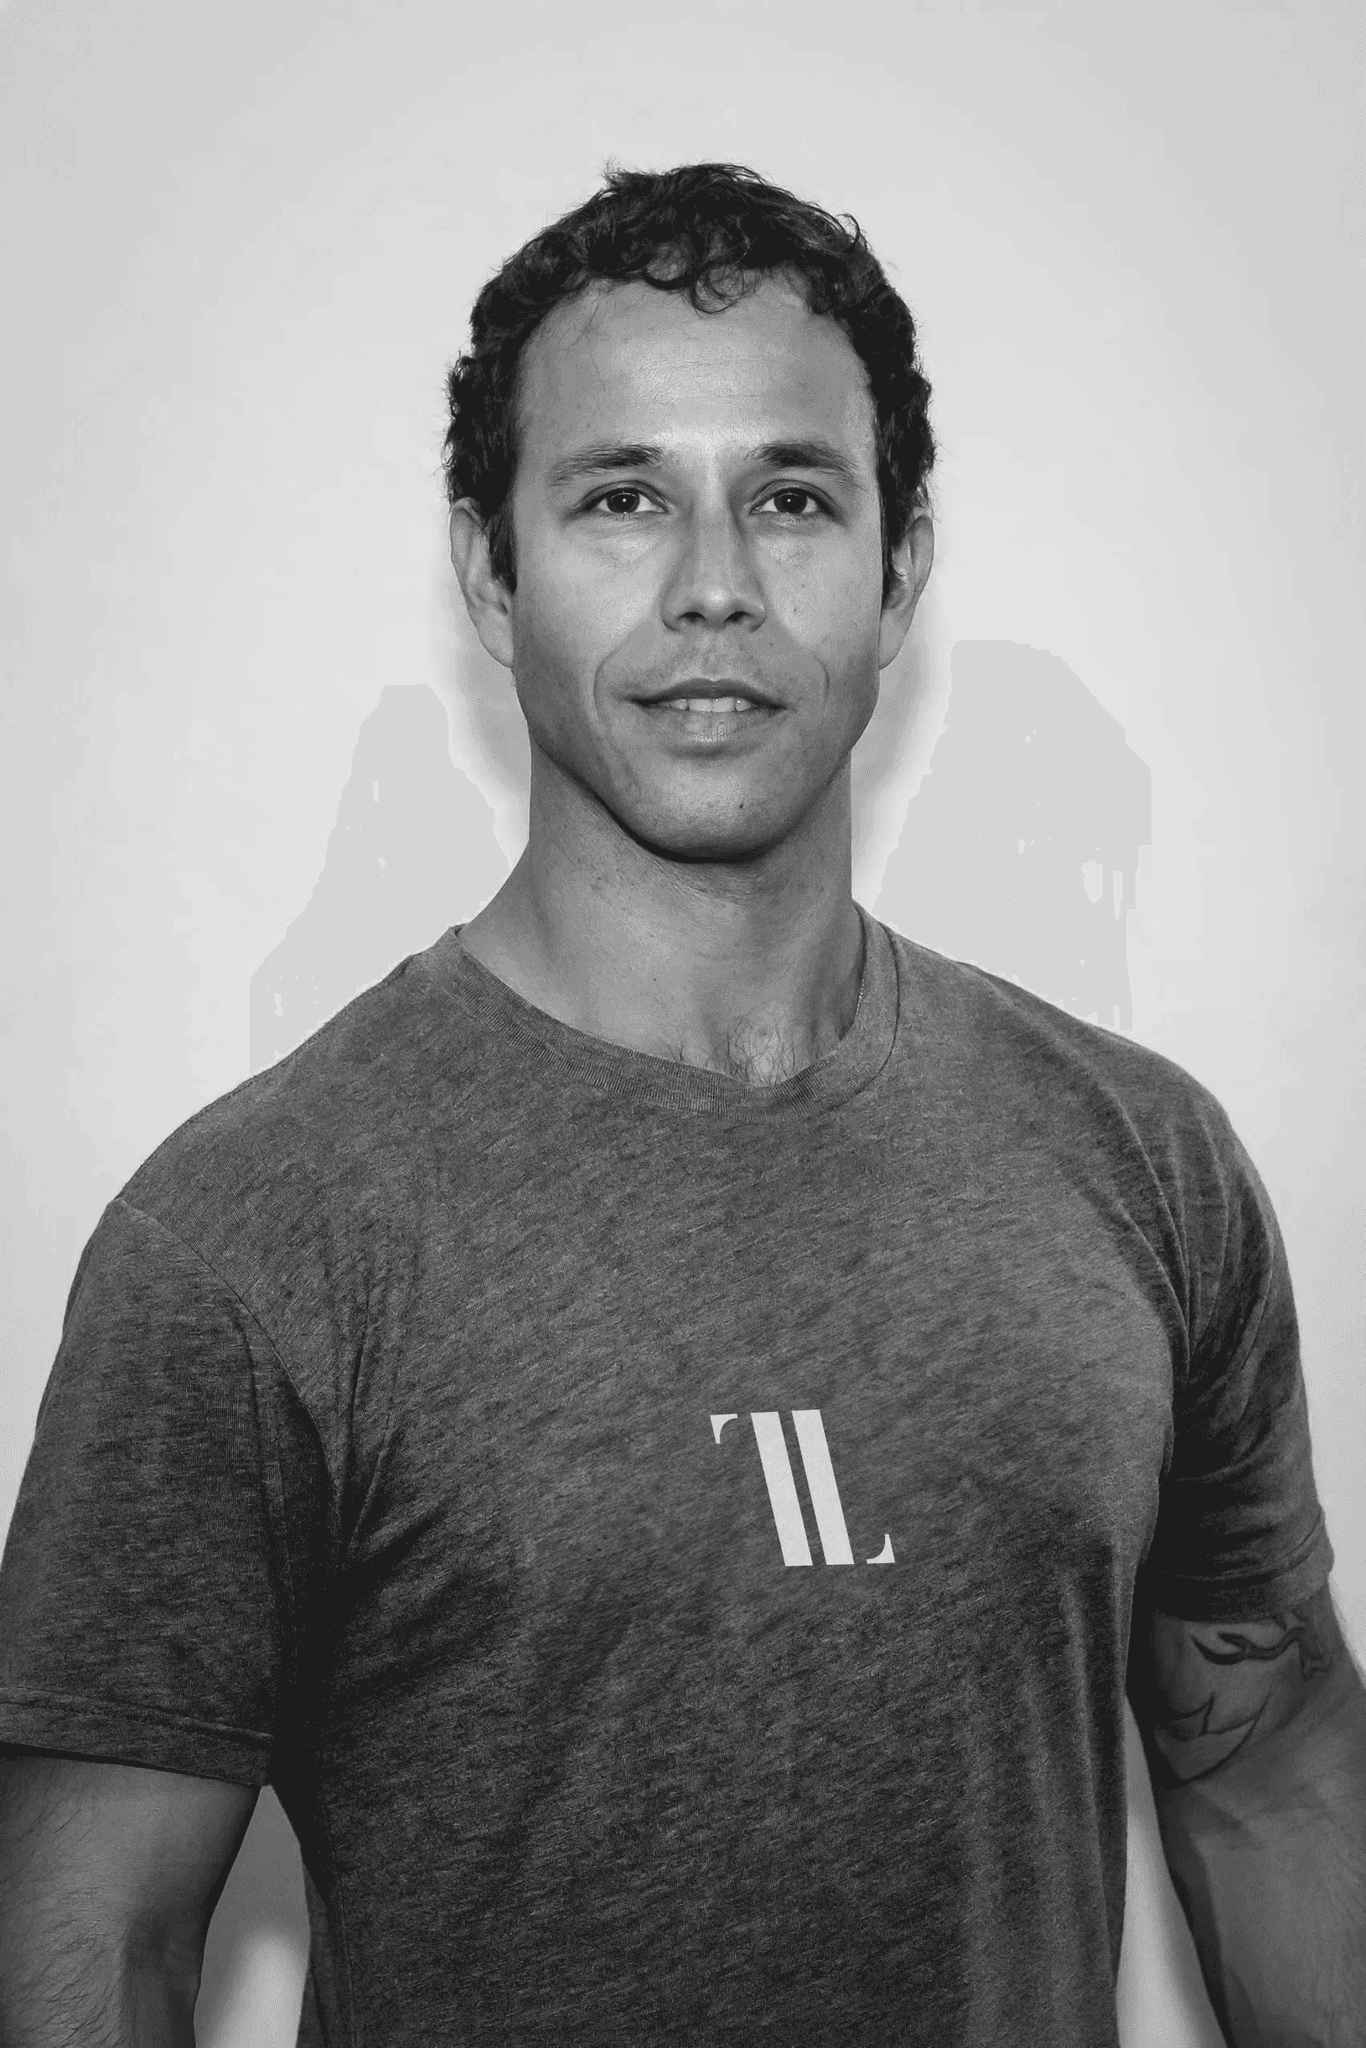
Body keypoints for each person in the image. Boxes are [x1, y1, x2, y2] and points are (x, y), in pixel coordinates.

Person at [0, 161, 1361, 2048]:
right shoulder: (256, 1234)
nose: (713, 586)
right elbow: (89, 1948)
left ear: (898, 568)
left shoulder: (1139, 1160)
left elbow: (1270, 1760)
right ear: (491, 568)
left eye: (791, 499)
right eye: (621, 497)